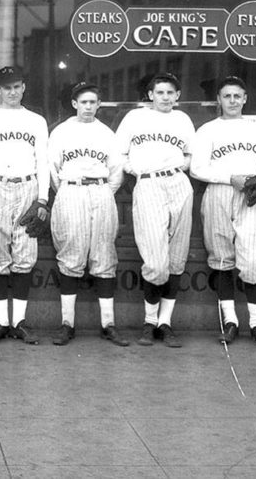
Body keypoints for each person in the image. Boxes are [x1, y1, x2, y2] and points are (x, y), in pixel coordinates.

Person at [191, 76, 256, 348]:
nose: (232, 101)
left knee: (251, 261)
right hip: (219, 192)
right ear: (218, 99)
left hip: (250, 195)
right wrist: (231, 178)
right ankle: (230, 322)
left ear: (245, 99)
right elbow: (197, 169)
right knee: (221, 259)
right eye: (226, 96)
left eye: (237, 96)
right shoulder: (207, 130)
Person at [0, 66, 49, 345]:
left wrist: (42, 199)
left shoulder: (36, 120)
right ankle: (2, 322)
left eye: (17, 86)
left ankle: (19, 322)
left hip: (27, 186)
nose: (12, 92)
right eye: (6, 88)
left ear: (24, 87)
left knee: (25, 255)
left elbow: (44, 161)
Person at [115, 72, 195, 349]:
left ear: (177, 96)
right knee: (155, 260)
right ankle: (149, 322)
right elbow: (119, 152)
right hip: (148, 184)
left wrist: (180, 168)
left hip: (178, 184)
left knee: (176, 258)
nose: (165, 97)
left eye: (170, 93)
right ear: (150, 95)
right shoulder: (135, 118)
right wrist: (133, 169)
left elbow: (191, 154)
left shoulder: (182, 119)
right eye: (160, 92)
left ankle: (165, 323)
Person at [47, 82, 128, 347]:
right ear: (74, 104)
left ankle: (108, 324)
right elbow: (52, 169)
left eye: (93, 102)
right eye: (84, 102)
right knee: (71, 254)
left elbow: (116, 171)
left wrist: (102, 191)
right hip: (71, 190)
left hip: (101, 191)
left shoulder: (106, 133)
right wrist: (70, 190)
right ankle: (67, 324)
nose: (89, 107)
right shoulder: (61, 131)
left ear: (99, 105)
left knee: (104, 255)